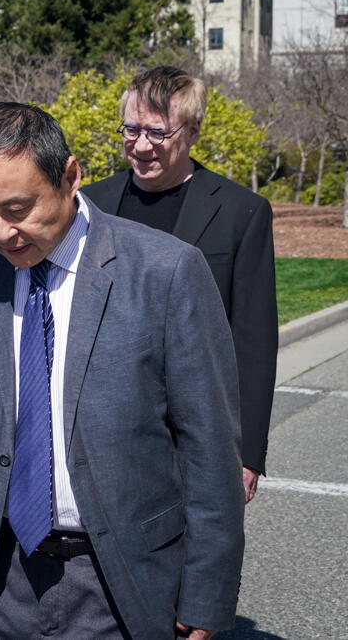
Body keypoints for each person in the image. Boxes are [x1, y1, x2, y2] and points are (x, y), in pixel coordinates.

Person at [0, 102, 243, 640]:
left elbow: (208, 446)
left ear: (70, 176)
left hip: (122, 579)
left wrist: (206, 590)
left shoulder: (165, 271)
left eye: (19, 208)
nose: (1, 231)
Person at [82, 66, 276, 503]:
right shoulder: (88, 206)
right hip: (100, 424)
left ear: (193, 131)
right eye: (131, 129)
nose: (141, 145)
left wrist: (246, 454)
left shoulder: (241, 211)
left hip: (196, 428)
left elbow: (253, 340)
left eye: (158, 133)